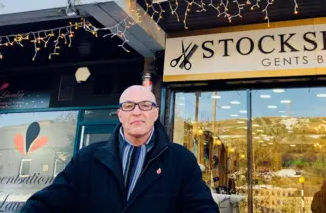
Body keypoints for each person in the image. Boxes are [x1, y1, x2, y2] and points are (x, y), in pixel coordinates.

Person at [22, 85, 219, 213]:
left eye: (145, 106)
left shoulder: (180, 160)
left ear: (156, 113)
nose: (137, 112)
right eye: (128, 106)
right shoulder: (88, 158)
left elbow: (201, 208)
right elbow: (49, 203)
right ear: (119, 114)